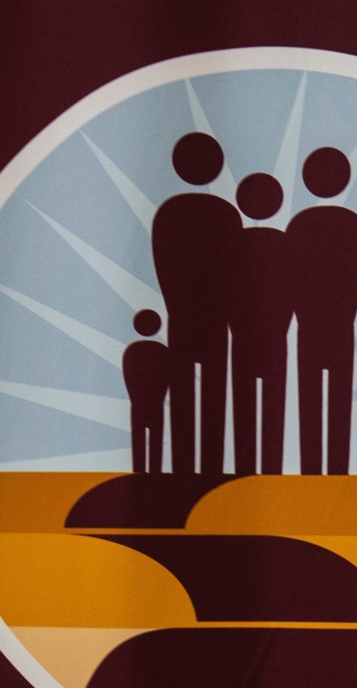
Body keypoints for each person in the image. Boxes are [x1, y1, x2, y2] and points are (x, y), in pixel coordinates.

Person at [285, 146, 357, 474]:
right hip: (339, 327)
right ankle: (337, 474)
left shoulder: (299, 224)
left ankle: (310, 473)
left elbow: (286, 273)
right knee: (338, 403)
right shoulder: (352, 224)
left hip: (307, 326)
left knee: (309, 400)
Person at [149, 132, 240, 475]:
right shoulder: (227, 215)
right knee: (214, 396)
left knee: (184, 398)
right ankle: (212, 472)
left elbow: (164, 267)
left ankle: (183, 471)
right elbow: (238, 272)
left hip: (183, 321)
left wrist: (177, 306)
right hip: (215, 323)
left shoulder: (168, 214)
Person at [229, 173, 294, 476]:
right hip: (273, 340)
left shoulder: (235, 243)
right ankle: (271, 473)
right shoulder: (284, 244)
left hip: (243, 338)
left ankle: (245, 474)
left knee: (245, 405)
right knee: (272, 408)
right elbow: (296, 290)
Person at [121, 309, 169, 476]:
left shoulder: (131, 352)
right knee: (155, 442)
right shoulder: (162, 352)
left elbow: (129, 378)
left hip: (140, 405)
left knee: (139, 442)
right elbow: (166, 380)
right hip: (155, 405)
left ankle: (140, 475)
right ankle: (151, 475)